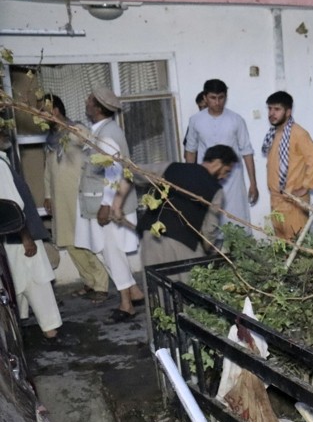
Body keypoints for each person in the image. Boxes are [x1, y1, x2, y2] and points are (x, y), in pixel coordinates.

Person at [112, 145, 238, 277]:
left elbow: (131, 172)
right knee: (186, 293)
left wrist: (116, 206)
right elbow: (209, 231)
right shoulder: (216, 190)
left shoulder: (171, 167)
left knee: (157, 293)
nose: (225, 176)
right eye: (227, 171)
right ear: (218, 163)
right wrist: (209, 250)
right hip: (183, 247)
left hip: (151, 239)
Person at [76, 87, 145, 322]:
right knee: (110, 253)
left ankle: (126, 304)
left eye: (89, 99)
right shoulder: (102, 130)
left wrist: (106, 205)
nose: (86, 101)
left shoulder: (107, 134)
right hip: (102, 201)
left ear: (97, 107)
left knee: (112, 253)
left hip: (108, 203)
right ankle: (133, 292)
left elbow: (114, 172)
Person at [41, 93, 111, 302]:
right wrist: (47, 195)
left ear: (55, 111)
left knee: (82, 240)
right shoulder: (50, 139)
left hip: (78, 196)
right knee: (68, 241)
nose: (39, 115)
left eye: (43, 110)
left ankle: (101, 284)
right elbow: (47, 170)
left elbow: (97, 152)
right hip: (59, 198)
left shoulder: (77, 129)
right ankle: (88, 282)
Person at [0, 132, 67, 344]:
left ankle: (19, 332)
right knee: (36, 283)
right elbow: (12, 205)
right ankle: (50, 332)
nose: (4, 134)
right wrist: (26, 237)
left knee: (16, 284)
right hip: (17, 236)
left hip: (9, 237)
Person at [183, 79, 258, 233]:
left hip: (233, 180)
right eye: (213, 98)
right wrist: (191, 182)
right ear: (205, 97)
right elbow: (190, 151)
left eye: (221, 98)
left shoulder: (236, 120)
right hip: (206, 179)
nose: (217, 102)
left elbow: (247, 151)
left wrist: (253, 183)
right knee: (211, 224)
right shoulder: (196, 121)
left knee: (237, 222)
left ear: (226, 97)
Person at [261, 91, 313, 241]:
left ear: (288, 112)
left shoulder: (298, 133)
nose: (272, 113)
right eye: (270, 109)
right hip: (276, 200)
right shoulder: (273, 134)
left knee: (298, 248)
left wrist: (305, 187)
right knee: (282, 247)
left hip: (293, 201)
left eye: (277, 109)